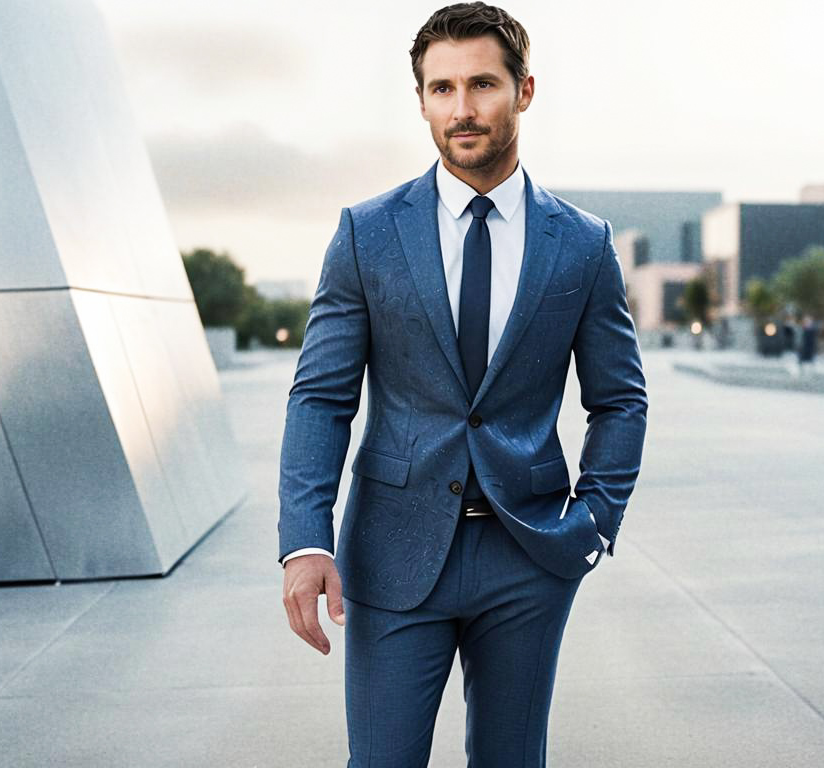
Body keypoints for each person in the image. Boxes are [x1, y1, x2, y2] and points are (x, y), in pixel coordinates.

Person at [277, 4, 648, 765]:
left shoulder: (581, 243)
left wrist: (595, 520)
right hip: (391, 553)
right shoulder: (366, 233)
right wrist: (305, 539)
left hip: (528, 552)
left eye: (481, 84)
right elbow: (321, 395)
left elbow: (619, 398)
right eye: (441, 89)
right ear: (421, 101)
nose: (462, 108)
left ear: (525, 90)